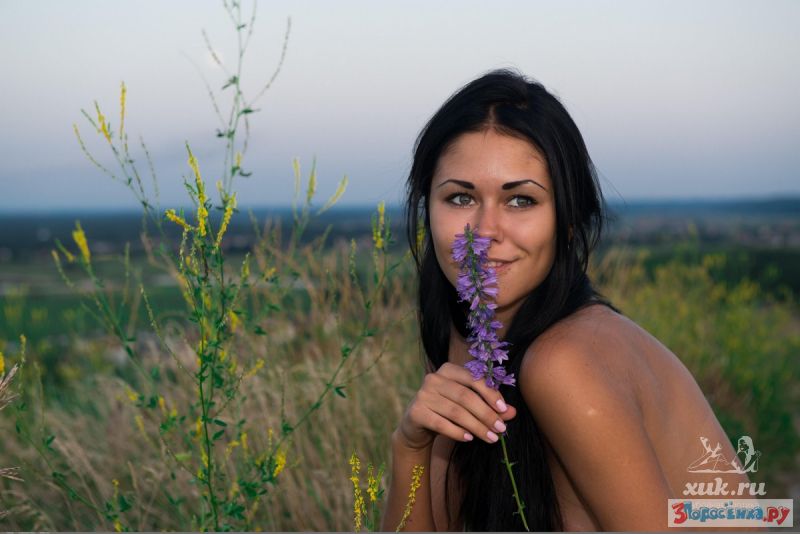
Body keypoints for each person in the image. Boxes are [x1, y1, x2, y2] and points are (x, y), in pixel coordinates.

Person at [380, 69, 749, 531]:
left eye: (520, 201)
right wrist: (409, 448)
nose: (486, 231)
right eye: (460, 198)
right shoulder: (471, 343)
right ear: (427, 211)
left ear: (568, 221)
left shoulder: (564, 363)